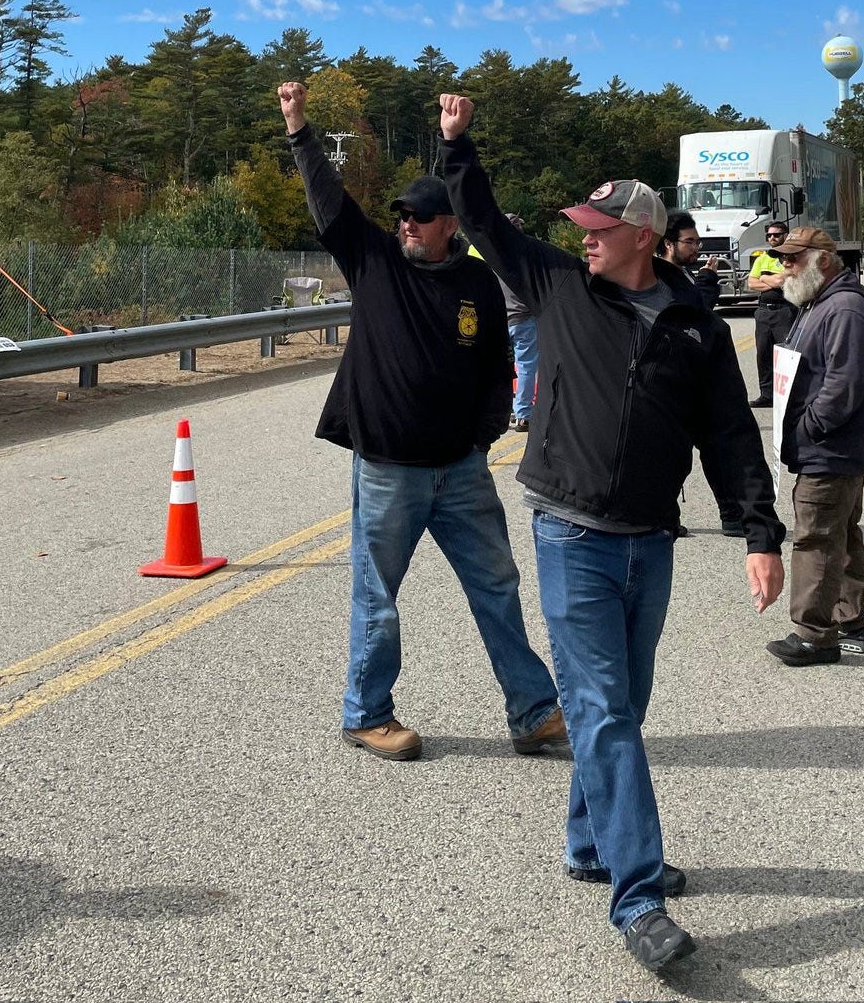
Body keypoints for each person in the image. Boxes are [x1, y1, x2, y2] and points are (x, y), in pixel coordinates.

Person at [438, 92, 786, 972]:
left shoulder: (697, 328)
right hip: (571, 534)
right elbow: (483, 221)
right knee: (600, 710)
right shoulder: (558, 284)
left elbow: (730, 438)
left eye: (600, 226)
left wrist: (759, 533)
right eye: (582, 226)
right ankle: (635, 899)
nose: (585, 235)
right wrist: (459, 146)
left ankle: (591, 847)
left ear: (642, 234)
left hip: (649, 541)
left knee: (619, 710)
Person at [276, 81, 568, 763]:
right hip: (387, 470)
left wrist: (482, 434)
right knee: (378, 596)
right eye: (401, 214)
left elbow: (500, 370)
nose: (405, 222)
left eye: (418, 216)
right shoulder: (374, 259)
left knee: (497, 588)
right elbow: (328, 201)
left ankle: (533, 714)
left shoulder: (474, 282)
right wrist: (299, 129)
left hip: (460, 470)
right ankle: (366, 713)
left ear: (448, 226)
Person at [765, 226, 864, 666]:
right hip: (832, 448)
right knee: (842, 535)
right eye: (782, 259)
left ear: (824, 259)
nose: (785, 267)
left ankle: (815, 635)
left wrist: (807, 429)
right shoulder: (820, 304)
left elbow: (843, 386)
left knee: (815, 538)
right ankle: (852, 624)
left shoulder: (844, 309)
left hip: (830, 449)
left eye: (792, 259)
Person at [658, 211, 745, 537]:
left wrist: (706, 280)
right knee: (672, 453)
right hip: (674, 382)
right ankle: (665, 516)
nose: (697, 248)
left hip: (700, 381)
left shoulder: (685, 274)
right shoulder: (661, 278)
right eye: (689, 241)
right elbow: (696, 313)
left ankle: (731, 514)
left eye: (698, 241)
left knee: (715, 447)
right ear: (669, 243)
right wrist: (709, 283)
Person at [746, 222, 797, 407]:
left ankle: (789, 396)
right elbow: (751, 283)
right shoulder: (762, 259)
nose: (772, 239)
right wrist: (773, 281)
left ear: (786, 235)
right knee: (763, 355)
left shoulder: (791, 257)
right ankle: (767, 395)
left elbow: (783, 279)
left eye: (776, 235)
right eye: (769, 236)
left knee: (785, 355)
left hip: (784, 310)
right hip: (763, 312)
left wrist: (764, 278)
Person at [502, 213, 537, 431]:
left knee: (503, 368)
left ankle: (507, 409)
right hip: (523, 316)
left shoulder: (492, 254)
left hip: (500, 318)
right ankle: (523, 414)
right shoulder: (526, 255)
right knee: (526, 366)